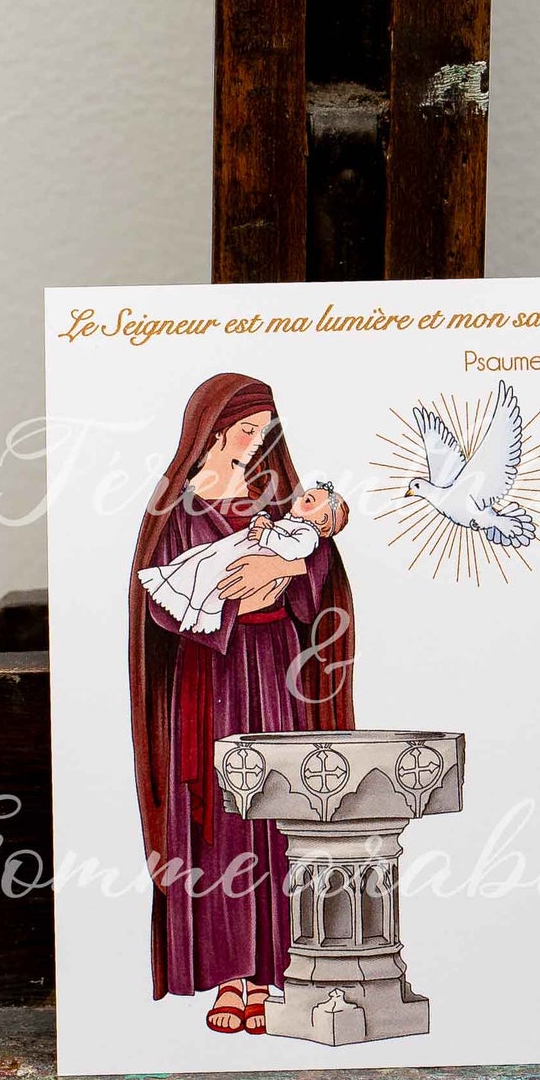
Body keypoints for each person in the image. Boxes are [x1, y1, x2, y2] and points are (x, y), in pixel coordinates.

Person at [128, 376, 355, 1032]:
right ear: (215, 427)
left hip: (276, 673)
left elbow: (320, 580)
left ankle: (269, 978)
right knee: (223, 822)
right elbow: (160, 610)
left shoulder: (279, 499)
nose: (258, 442)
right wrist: (238, 595)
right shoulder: (177, 507)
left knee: (276, 812)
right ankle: (229, 980)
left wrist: (285, 569)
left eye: (265, 431)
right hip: (212, 677)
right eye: (249, 429)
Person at [137, 480, 349, 636]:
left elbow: (306, 557)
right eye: (249, 431)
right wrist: (262, 521)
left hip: (268, 631)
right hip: (238, 561)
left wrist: (278, 566)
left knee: (210, 569)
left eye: (308, 500)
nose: (299, 498)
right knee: (204, 561)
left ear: (322, 520)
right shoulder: (183, 494)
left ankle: (198, 609)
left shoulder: (307, 532)